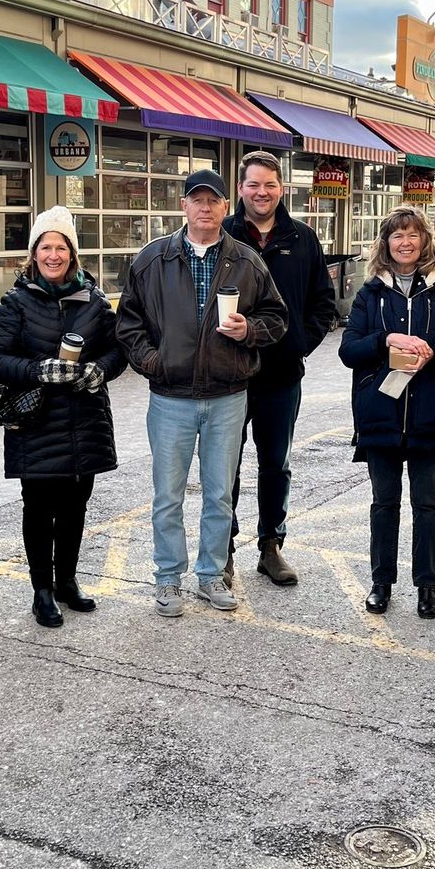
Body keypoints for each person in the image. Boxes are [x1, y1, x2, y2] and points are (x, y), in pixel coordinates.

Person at [117, 168, 287, 618]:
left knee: (219, 493)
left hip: (228, 395)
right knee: (168, 495)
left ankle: (211, 573)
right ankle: (168, 578)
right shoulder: (152, 260)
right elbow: (128, 324)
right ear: (184, 205)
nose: (205, 208)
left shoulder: (247, 261)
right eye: (197, 199)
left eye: (213, 201)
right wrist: (154, 363)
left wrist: (249, 328)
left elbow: (277, 318)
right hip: (170, 397)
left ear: (225, 208)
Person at [0, 206, 125, 628]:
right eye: (45, 246)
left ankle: (67, 580)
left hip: (84, 418)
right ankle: (41, 590)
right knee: (39, 506)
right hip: (37, 420)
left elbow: (117, 350)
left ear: (72, 254)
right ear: (33, 253)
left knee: (76, 506)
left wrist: (100, 370)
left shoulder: (95, 301)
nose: (52, 254)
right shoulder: (16, 301)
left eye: (60, 247)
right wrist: (37, 370)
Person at [340, 208, 435, 619]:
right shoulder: (370, 293)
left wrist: (434, 354)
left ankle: (427, 585)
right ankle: (382, 583)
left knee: (426, 504)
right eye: (397, 235)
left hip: (430, 414)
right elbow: (349, 351)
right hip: (380, 412)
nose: (405, 242)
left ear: (425, 241)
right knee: (384, 503)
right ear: (385, 243)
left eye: (413, 235)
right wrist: (386, 339)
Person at [222, 150, 335, 587]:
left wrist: (298, 346)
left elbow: (322, 303)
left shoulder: (301, 238)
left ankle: (270, 545)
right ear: (240, 189)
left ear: (281, 188)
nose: (261, 192)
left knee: (275, 464)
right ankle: (223, 548)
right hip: (230, 373)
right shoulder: (225, 233)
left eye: (269, 184)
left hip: (282, 376)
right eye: (253, 184)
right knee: (225, 465)